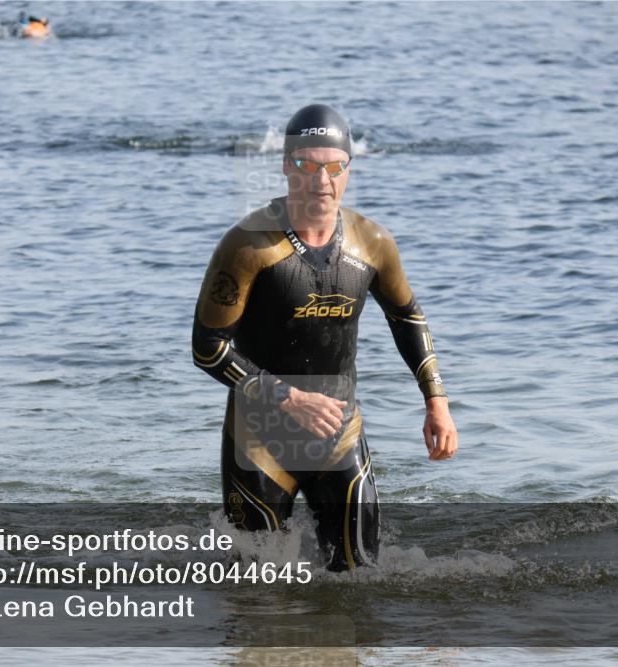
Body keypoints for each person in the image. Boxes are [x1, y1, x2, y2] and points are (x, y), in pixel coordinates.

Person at [191, 104, 458, 571]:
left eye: (334, 167)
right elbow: (207, 347)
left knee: (362, 581)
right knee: (258, 593)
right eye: (307, 165)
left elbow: (407, 317)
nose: (322, 180)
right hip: (258, 440)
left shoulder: (372, 243)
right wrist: (289, 398)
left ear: (348, 169)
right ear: (285, 167)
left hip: (339, 433)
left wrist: (437, 402)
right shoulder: (248, 245)